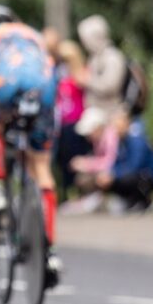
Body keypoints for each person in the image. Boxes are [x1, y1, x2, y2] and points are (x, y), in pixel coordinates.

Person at [0, 5, 62, 286]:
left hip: (3, 85)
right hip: (43, 89)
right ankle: (51, 250)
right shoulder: (33, 35)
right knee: (40, 165)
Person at [53, 40, 89, 201]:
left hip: (77, 122)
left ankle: (80, 192)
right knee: (62, 160)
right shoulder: (59, 74)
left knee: (76, 157)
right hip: (61, 123)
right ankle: (66, 193)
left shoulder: (81, 73)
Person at [77, 14, 127, 116]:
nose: (84, 44)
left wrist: (88, 80)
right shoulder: (94, 57)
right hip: (95, 111)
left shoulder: (112, 57)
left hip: (109, 113)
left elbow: (110, 86)